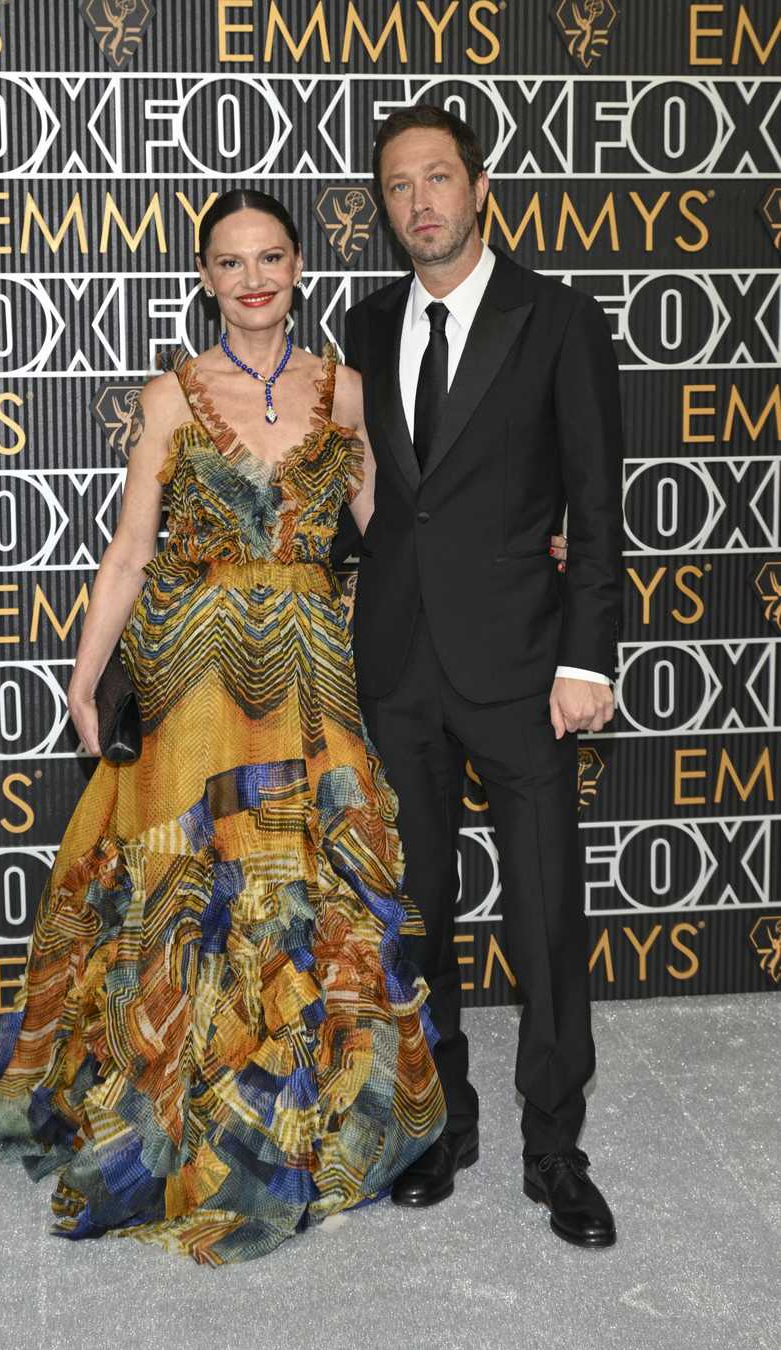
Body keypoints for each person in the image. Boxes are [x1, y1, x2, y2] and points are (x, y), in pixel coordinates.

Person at [0, 189, 450, 1265]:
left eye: (270, 256)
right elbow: (129, 550)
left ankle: (296, 1112)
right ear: (206, 277)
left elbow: (389, 535)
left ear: (300, 265)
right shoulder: (170, 397)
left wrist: (498, 572)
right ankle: (179, 1096)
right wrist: (84, 678)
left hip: (311, 662)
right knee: (184, 890)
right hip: (191, 663)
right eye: (230, 261)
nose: (253, 277)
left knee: (310, 889)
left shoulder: (348, 391)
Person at [343, 105, 623, 1248]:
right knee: (420, 913)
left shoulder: (556, 318)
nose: (421, 203)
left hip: (523, 666)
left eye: (439, 179)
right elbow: (368, 503)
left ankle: (555, 1148)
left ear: (481, 187)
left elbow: (597, 510)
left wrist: (587, 656)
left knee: (546, 916)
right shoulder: (363, 326)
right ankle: (441, 1121)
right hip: (400, 665)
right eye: (400, 187)